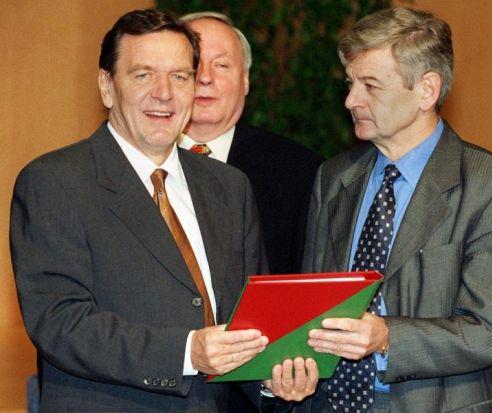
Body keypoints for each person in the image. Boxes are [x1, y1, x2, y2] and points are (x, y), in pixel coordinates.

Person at [10, 9, 316, 412]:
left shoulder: (230, 187)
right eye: (143, 75)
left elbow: (248, 323)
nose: (164, 93)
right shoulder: (56, 181)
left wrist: (272, 382)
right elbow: (59, 322)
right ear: (107, 87)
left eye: (180, 76)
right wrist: (187, 352)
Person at [299, 7, 492, 413]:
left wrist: (386, 337)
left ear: (427, 90)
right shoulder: (335, 177)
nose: (351, 100)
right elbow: (311, 304)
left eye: (371, 85)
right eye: (351, 83)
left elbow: (487, 333)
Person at [179, 12, 323, 276]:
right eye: (193, 64)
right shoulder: (136, 163)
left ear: (245, 80)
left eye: (222, 65)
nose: (205, 77)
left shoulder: (300, 171)